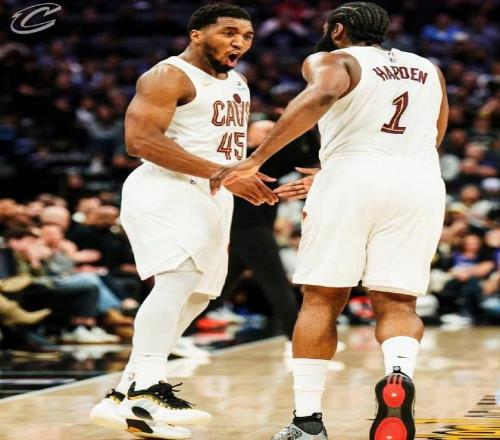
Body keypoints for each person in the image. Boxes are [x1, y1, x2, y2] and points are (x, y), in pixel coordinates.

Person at [210, 2, 448, 439]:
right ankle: (398, 375)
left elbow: (320, 96)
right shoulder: (427, 69)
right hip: (420, 181)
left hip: (351, 180)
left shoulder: (334, 59)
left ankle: (307, 422)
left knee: (321, 298)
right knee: (399, 302)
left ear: (337, 29)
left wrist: (256, 158)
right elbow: (434, 133)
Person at [89, 3, 278, 439]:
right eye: (229, 32)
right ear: (197, 34)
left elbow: (217, 148)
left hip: (211, 194)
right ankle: (148, 386)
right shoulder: (167, 75)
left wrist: (240, 178)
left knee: (197, 296)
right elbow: (139, 140)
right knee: (178, 280)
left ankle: (124, 397)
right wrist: (223, 174)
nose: (239, 42)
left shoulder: (238, 82)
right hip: (166, 188)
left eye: (247, 36)